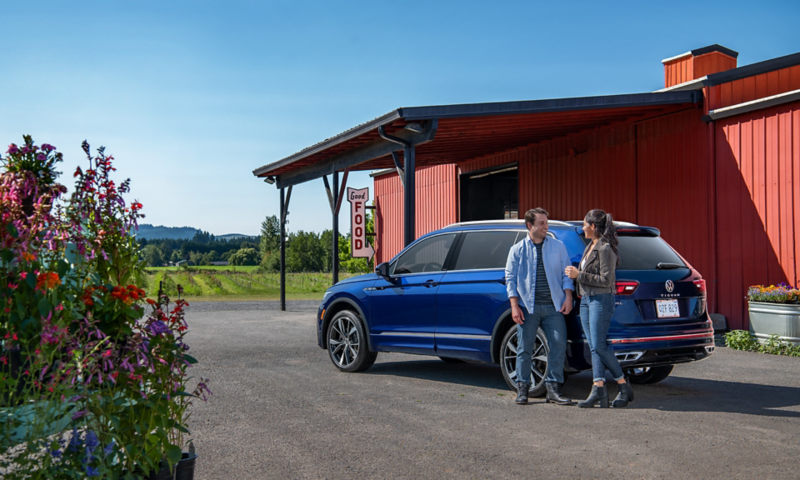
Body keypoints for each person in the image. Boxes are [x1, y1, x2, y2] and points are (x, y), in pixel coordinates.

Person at [505, 208, 575, 405]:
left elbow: (566, 274)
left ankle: (553, 389)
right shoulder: (517, 249)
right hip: (528, 307)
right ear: (530, 226)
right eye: (542, 223)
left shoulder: (558, 246)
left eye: (546, 222)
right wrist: (514, 306)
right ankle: (523, 389)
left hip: (554, 306)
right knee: (524, 348)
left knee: (559, 345)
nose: (546, 226)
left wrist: (568, 297)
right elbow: (510, 278)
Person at [565, 209, 633, 408]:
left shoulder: (605, 248)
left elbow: (606, 280)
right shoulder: (591, 245)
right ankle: (598, 390)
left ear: (593, 226)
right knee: (594, 346)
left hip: (601, 300)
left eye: (585, 223)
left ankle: (623, 385)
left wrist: (579, 275)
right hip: (586, 300)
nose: (582, 227)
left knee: (599, 346)